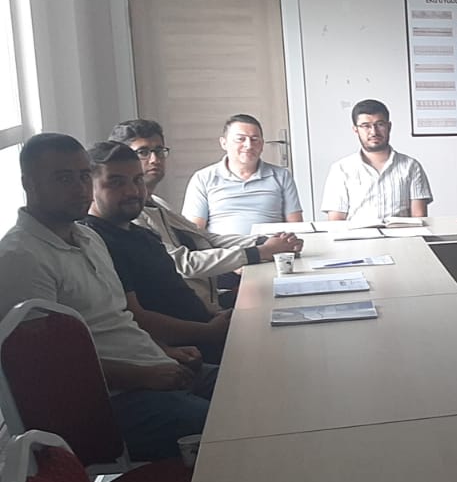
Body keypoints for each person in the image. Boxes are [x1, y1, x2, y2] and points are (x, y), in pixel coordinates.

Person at [0, 133, 214, 461]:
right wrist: (144, 375)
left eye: (84, 176)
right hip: (109, 402)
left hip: (154, 369)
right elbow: (47, 366)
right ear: (28, 183)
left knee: (257, 388)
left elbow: (118, 319)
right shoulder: (20, 258)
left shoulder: (89, 237)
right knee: (233, 423)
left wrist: (164, 351)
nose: (80, 188)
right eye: (64, 178)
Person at [110, 119, 301, 310]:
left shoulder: (158, 203)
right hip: (189, 307)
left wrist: (264, 241)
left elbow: (205, 236)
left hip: (211, 294)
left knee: (289, 298)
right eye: (143, 152)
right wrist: (257, 252)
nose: (154, 159)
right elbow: (181, 264)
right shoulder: (132, 216)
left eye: (159, 151)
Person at [84, 142, 231, 362]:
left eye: (137, 180)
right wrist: (209, 332)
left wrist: (215, 314)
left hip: (208, 331)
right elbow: (134, 317)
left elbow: (175, 290)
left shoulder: (142, 233)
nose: (132, 191)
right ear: (88, 187)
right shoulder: (96, 241)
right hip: (186, 352)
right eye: (116, 183)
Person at [184, 114, 303, 235]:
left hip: (271, 244)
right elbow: (194, 230)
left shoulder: (281, 176)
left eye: (254, 139)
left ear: (262, 144)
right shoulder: (203, 178)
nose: (249, 145)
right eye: (240, 139)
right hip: (224, 246)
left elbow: (296, 226)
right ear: (224, 143)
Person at [321, 99, 433, 220]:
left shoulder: (411, 166)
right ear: (355, 129)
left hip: (401, 232)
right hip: (358, 233)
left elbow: (419, 217)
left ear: (389, 126)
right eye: (366, 126)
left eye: (380, 124)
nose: (374, 132)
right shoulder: (341, 169)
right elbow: (336, 221)